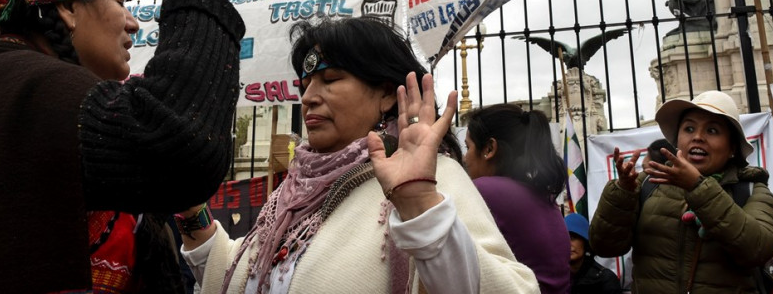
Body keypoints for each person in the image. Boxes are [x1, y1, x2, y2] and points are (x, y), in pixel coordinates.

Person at [0, 0, 255, 293]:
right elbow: (182, 150)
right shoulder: (31, 86)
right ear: (69, 8)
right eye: (120, 2)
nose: (134, 23)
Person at [178, 16, 540, 294]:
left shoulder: (431, 179)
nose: (308, 98)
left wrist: (420, 207)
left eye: (331, 79)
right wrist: (190, 209)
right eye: (305, 86)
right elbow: (249, 272)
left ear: (385, 94)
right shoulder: (295, 191)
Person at [590, 90, 773, 293]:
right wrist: (622, 193)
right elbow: (604, 246)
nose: (698, 137)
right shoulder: (649, 184)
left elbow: (757, 250)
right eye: (689, 128)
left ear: (732, 147)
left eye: (712, 131)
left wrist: (698, 187)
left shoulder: (752, 190)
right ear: (677, 140)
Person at [463, 103, 570, 293]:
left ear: (489, 148)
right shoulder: (539, 195)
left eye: (468, 147)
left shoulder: (485, 189)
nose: (465, 158)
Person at [564, 213, 621, 294]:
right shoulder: (554, 278)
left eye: (573, 238)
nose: (568, 243)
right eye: (565, 237)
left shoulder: (605, 280)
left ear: (585, 242)